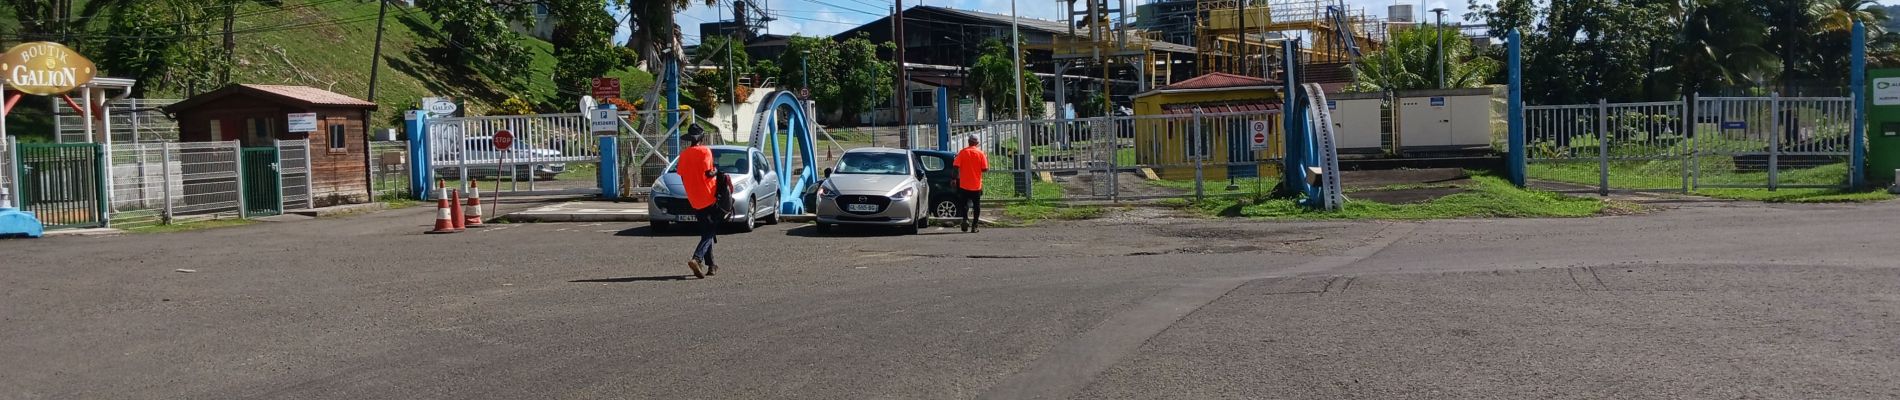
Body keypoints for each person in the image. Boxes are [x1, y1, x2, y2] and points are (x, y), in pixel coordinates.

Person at [677, 125, 725, 278]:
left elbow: (682, 174)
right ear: (701, 138)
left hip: (694, 198)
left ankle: (711, 266)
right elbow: (709, 173)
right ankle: (697, 258)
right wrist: (717, 171)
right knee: (710, 231)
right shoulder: (705, 151)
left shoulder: (684, 155)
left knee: (706, 230)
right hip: (708, 196)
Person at [953, 135, 989, 233]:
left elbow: (956, 166)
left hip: (964, 184)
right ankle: (975, 226)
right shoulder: (981, 153)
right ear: (977, 143)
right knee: (976, 206)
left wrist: (954, 179)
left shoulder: (962, 152)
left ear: (968, 142)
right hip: (976, 185)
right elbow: (985, 169)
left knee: (964, 204)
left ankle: (965, 219)